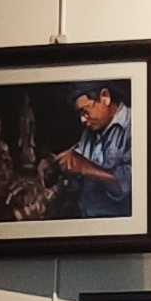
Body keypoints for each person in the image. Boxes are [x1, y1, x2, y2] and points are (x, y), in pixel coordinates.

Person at [39, 84, 132, 219]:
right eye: (80, 114)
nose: (83, 119)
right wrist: (54, 163)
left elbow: (128, 185)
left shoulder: (135, 125)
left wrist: (83, 167)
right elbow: (76, 159)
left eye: (85, 110)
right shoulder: (91, 131)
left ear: (105, 97)